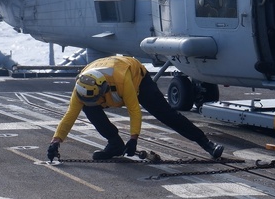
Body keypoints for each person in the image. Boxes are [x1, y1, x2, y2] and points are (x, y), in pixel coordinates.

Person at [46, 55, 224, 161]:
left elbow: (134, 110)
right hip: (106, 76)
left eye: (95, 98)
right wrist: (56, 142)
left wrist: (133, 139)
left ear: (103, 90)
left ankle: (205, 143)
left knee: (165, 114)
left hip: (137, 78)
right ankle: (115, 144)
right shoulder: (82, 88)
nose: (91, 101)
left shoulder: (123, 80)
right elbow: (70, 115)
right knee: (88, 108)